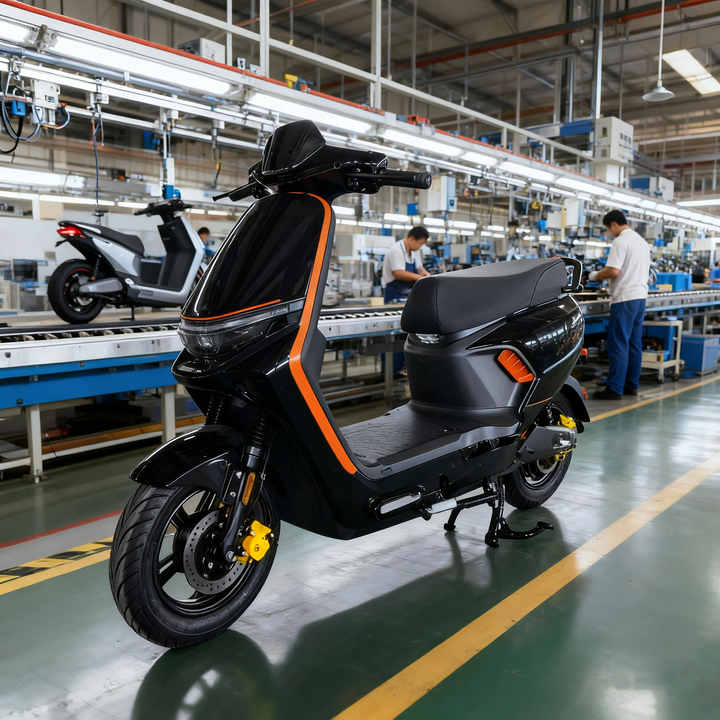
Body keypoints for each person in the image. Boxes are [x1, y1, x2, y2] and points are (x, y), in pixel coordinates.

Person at [590, 209, 651, 400]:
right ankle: (631, 386)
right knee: (634, 344)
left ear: (614, 224)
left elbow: (613, 271)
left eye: (608, 229)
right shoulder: (642, 242)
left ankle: (614, 389)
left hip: (624, 298)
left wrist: (594, 276)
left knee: (618, 344)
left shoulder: (620, 241)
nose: (609, 233)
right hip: (640, 298)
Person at [381, 226, 430, 303]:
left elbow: (419, 268)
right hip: (394, 294)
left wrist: (428, 276)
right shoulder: (396, 250)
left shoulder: (413, 252)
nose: (420, 247)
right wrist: (421, 278)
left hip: (407, 293)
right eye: (420, 244)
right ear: (411, 239)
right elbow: (398, 273)